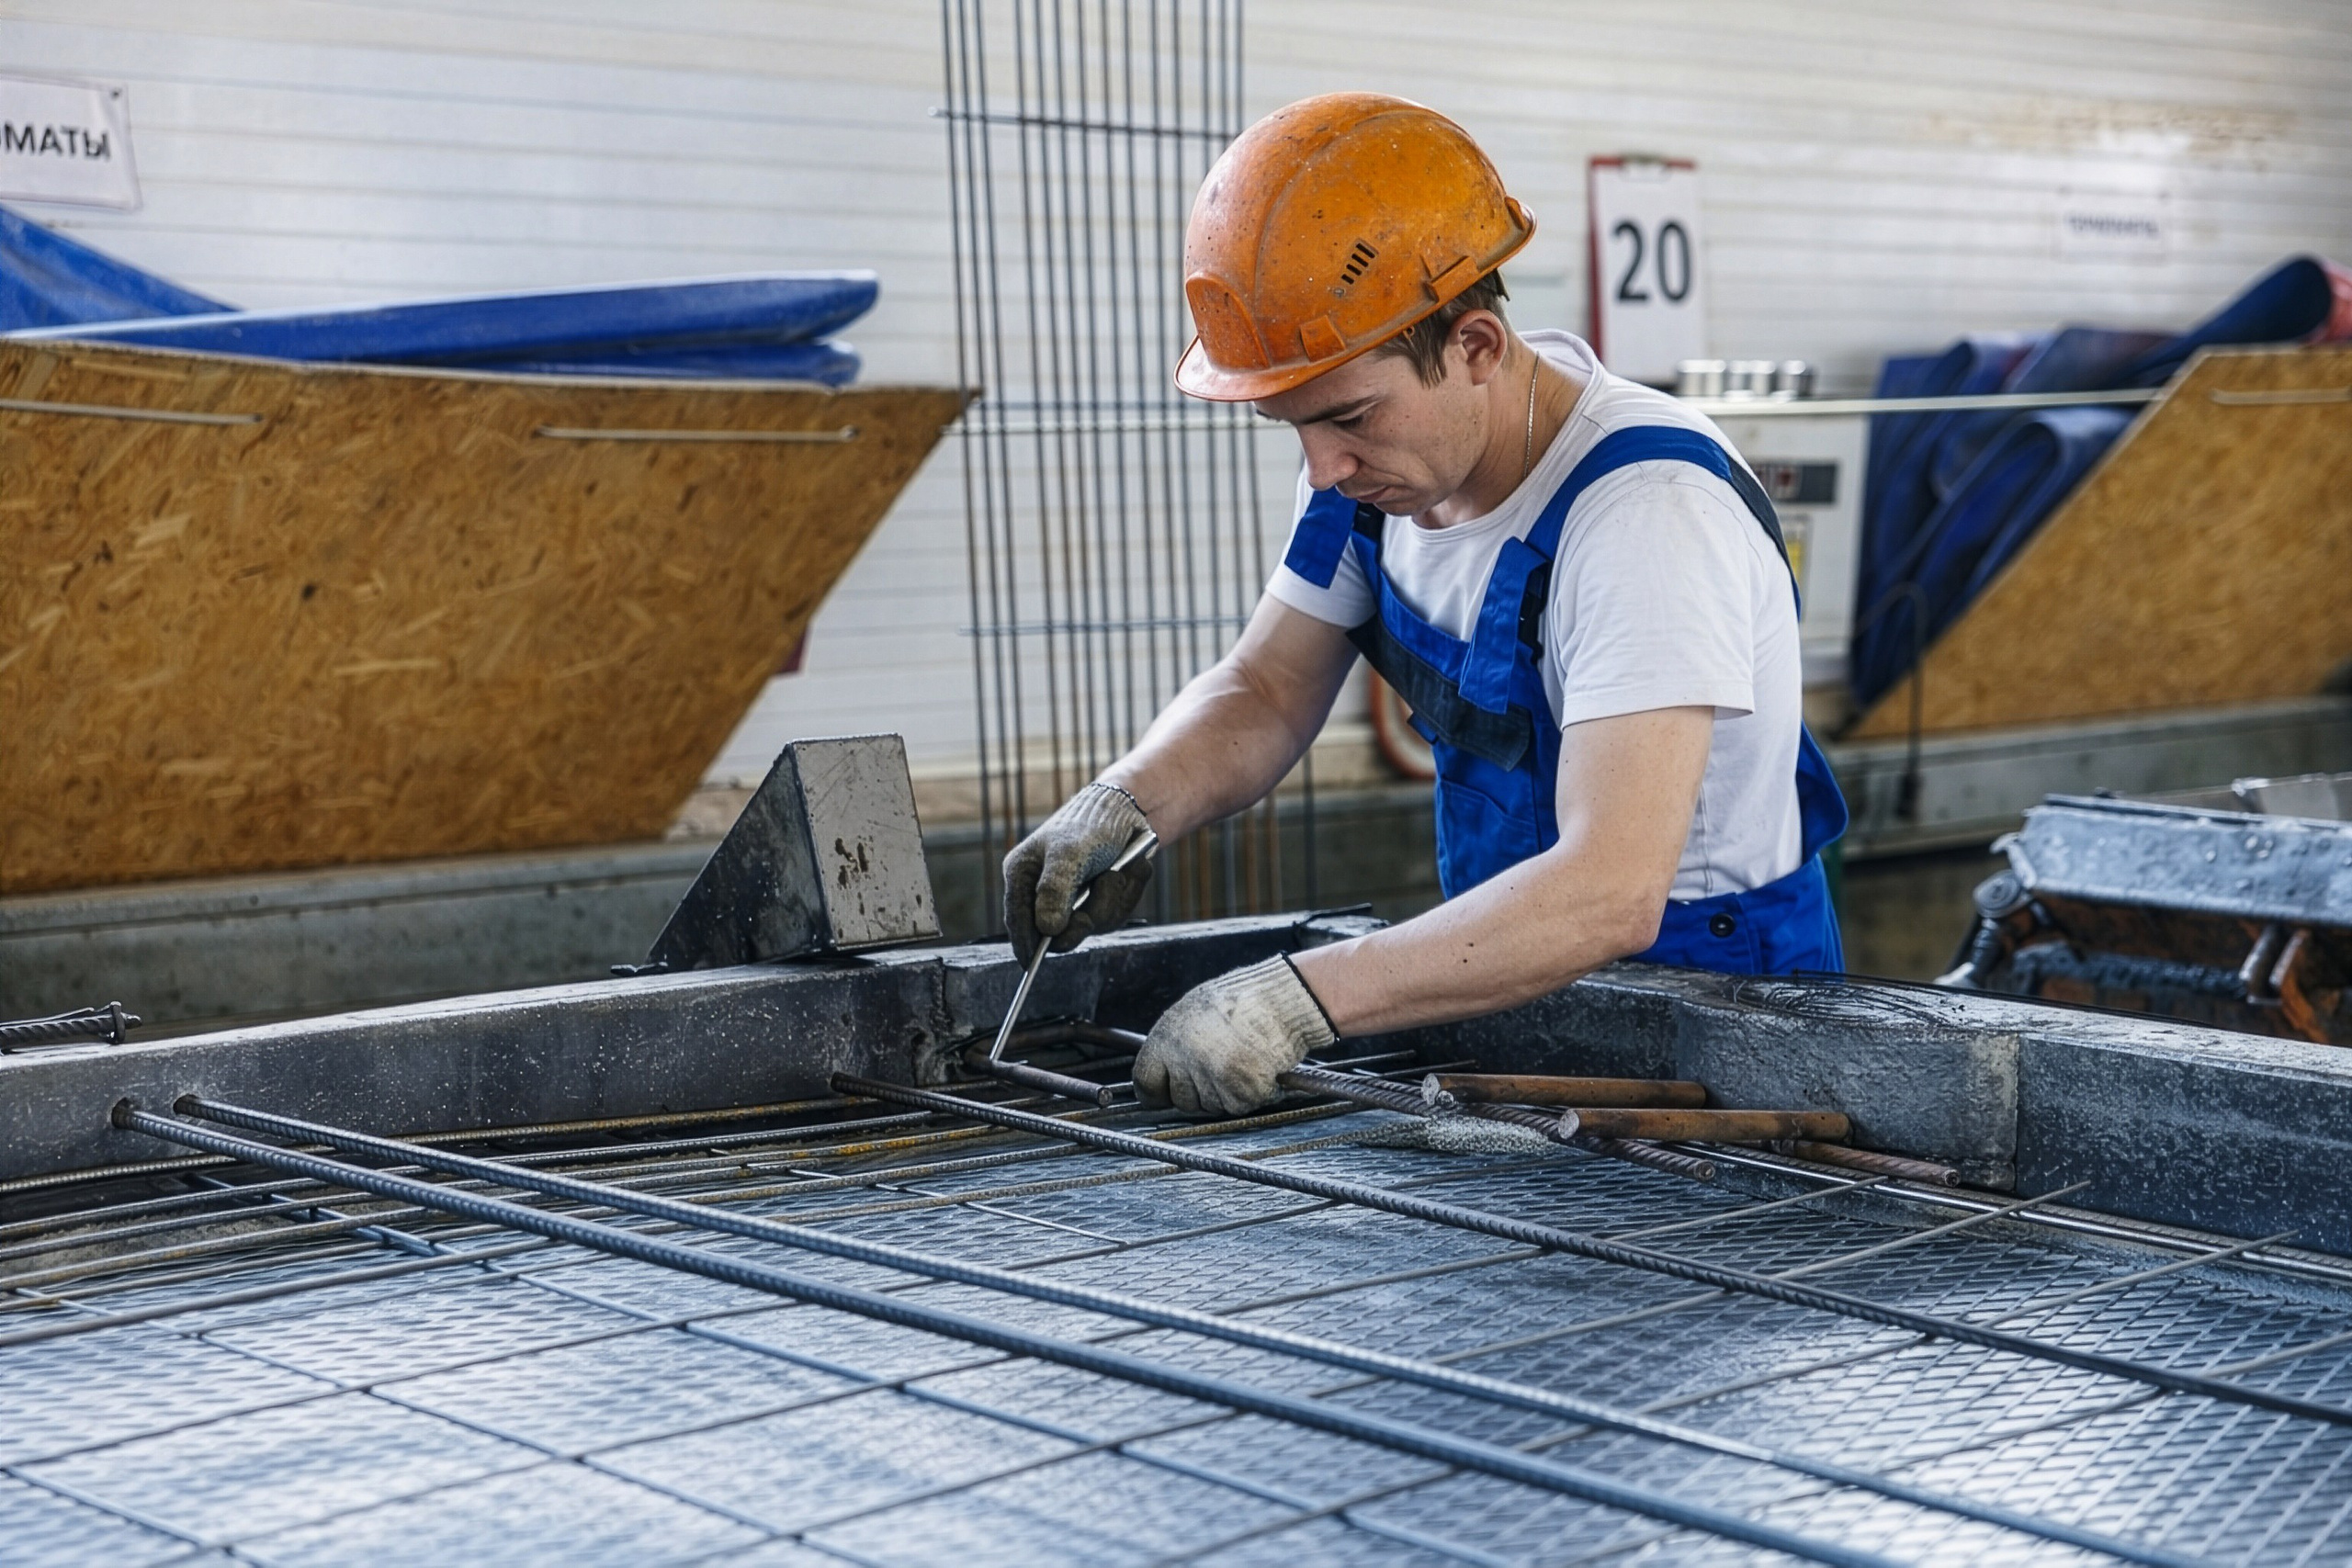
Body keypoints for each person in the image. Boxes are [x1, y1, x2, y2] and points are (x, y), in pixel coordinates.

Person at [1002, 92, 1847, 1117]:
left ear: (1477, 347)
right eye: (1294, 424)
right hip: (1501, 970)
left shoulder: (1646, 513)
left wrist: (1291, 1002)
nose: (1322, 466)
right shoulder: (1370, 477)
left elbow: (1608, 887)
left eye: (1348, 416)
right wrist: (1121, 805)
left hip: (1714, 1010)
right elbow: (1265, 690)